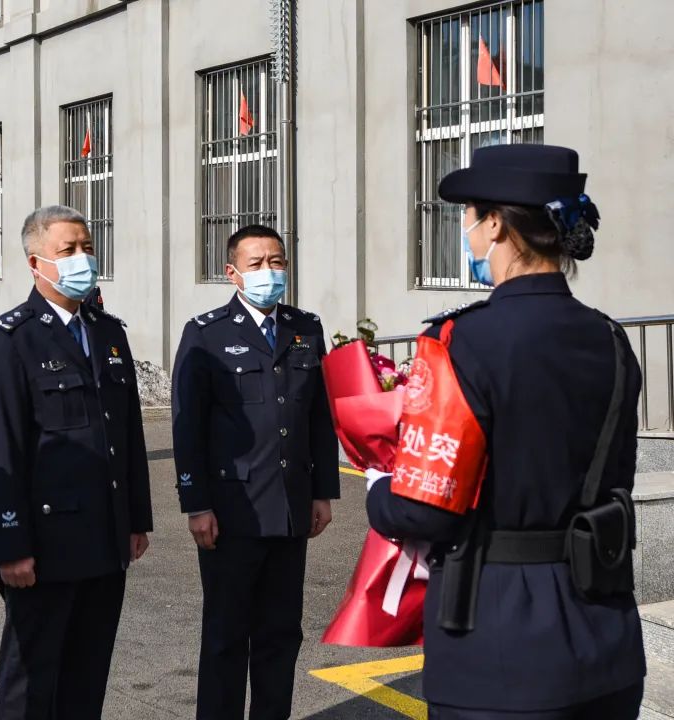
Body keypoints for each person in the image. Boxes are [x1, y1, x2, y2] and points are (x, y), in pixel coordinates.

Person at [366, 145, 645, 719]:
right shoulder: (611, 339)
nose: (466, 230)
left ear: (495, 223)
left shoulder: (460, 342)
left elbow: (427, 511)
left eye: (469, 215)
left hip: (497, 648)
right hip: (606, 639)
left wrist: (378, 492)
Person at [0, 205, 153, 720]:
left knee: (86, 678)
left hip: (106, 540)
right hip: (44, 550)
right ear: (35, 263)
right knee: (30, 684)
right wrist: (11, 548)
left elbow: (128, 435)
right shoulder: (9, 341)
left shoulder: (108, 333)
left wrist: (137, 519)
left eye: (87, 247)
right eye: (67, 250)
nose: (82, 259)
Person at [171, 224, 339, 720]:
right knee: (226, 637)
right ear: (233, 273)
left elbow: (318, 416)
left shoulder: (305, 328)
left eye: (278, 261)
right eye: (258, 263)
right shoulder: (206, 334)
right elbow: (188, 428)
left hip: (289, 509)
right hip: (232, 512)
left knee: (281, 634)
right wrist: (196, 505)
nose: (270, 272)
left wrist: (322, 492)